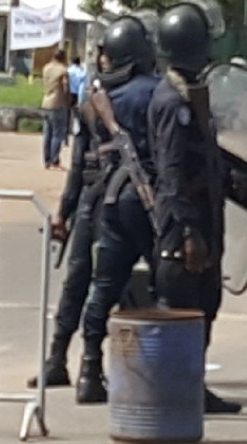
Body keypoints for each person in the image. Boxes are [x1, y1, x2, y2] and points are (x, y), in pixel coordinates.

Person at [148, 0, 242, 414]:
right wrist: (188, 231)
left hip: (203, 217)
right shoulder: (173, 102)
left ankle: (193, 387)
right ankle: (174, 394)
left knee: (204, 307)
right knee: (184, 308)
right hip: (184, 225)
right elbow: (170, 173)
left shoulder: (190, 95)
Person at [73, 15, 161, 404]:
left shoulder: (103, 101)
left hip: (113, 199)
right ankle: (167, 372)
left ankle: (89, 370)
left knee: (104, 287)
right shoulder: (160, 93)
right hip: (152, 200)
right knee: (170, 286)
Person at [27, 46, 113, 389]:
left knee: (94, 282)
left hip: (108, 202)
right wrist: (64, 212)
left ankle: (86, 363)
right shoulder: (97, 102)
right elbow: (79, 163)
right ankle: (64, 359)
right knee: (82, 280)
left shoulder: (115, 98)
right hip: (98, 202)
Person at [42, 49, 70, 170]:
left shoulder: (46, 68)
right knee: (57, 134)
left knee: (47, 133)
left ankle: (47, 160)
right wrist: (69, 99)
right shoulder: (63, 70)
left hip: (46, 101)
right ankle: (55, 160)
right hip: (58, 103)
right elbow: (65, 87)